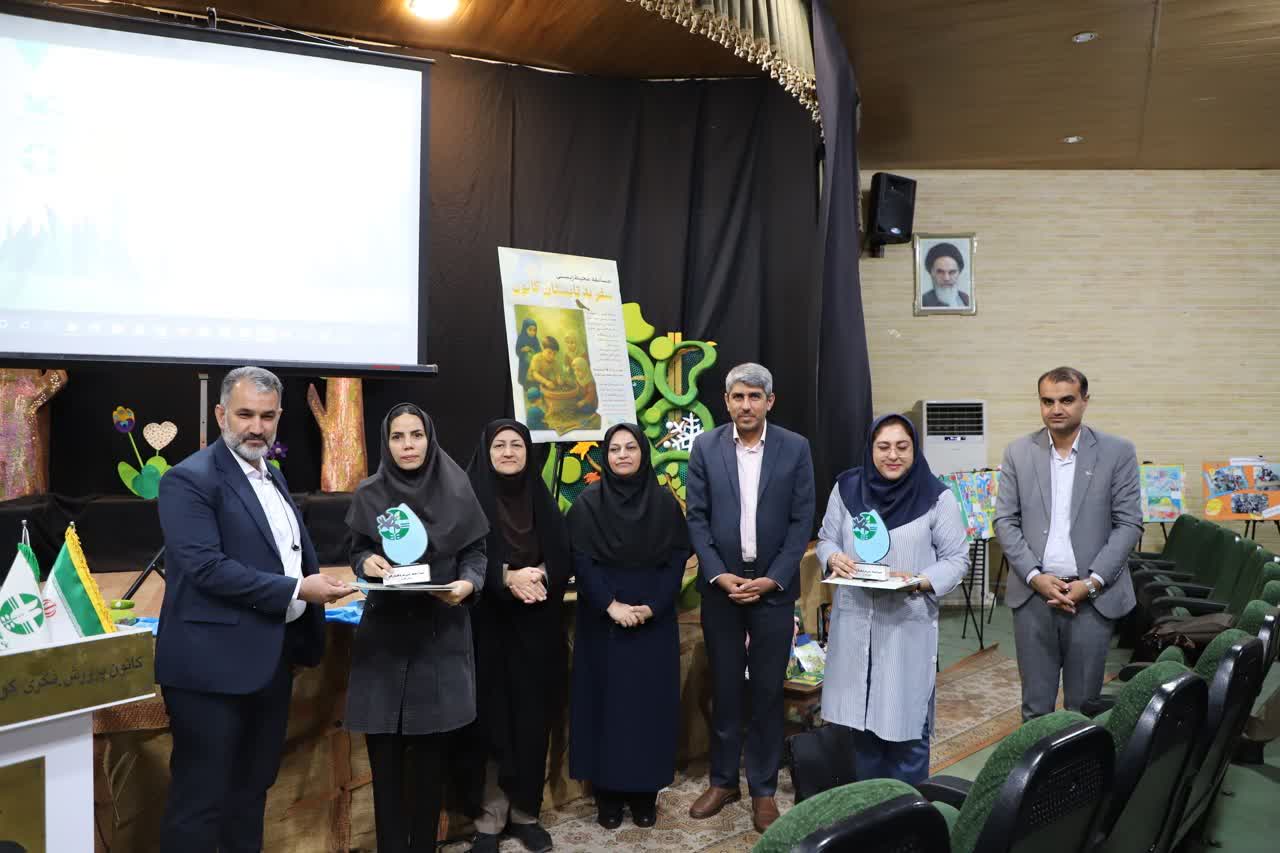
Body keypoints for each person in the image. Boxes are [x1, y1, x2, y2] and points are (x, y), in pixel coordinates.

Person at [155, 366, 353, 853]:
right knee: (201, 801)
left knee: (251, 792)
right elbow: (206, 568)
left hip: (268, 662)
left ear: (279, 417)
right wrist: (298, 590)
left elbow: (285, 554)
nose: (256, 427)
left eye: (267, 416)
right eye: (245, 415)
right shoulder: (189, 479)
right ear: (221, 413)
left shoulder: (272, 474)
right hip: (209, 671)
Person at [345, 403, 490, 853]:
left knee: (430, 770)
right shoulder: (370, 493)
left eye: (416, 435)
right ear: (385, 443)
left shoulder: (457, 488)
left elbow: (476, 553)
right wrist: (366, 562)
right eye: (397, 436)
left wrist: (468, 583)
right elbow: (357, 549)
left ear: (430, 438)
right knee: (385, 768)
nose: (408, 445)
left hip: (438, 638)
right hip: (384, 643)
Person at [685, 363, 815, 833]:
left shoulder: (795, 448)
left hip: (772, 592)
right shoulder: (705, 447)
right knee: (725, 688)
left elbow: (802, 521)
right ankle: (723, 781)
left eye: (754, 397)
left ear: (769, 401)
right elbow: (696, 518)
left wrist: (773, 579)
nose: (746, 405)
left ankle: (762, 788)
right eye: (738, 396)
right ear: (727, 401)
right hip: (721, 590)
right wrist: (718, 575)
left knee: (766, 691)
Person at [817, 414, 969, 783]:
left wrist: (920, 581)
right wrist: (832, 556)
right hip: (855, 622)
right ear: (870, 449)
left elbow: (956, 559)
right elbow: (826, 538)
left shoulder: (937, 497)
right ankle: (870, 807)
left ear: (915, 450)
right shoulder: (847, 489)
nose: (893, 455)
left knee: (906, 726)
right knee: (861, 726)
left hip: (905, 624)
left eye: (902, 447)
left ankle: (909, 809)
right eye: (883, 447)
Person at [994, 367, 1141, 720]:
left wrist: (1091, 583)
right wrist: (1035, 576)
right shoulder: (1018, 452)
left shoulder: (1117, 452)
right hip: (1034, 596)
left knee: (1082, 709)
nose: (1056, 409)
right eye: (1047, 401)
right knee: (1035, 709)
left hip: (1092, 599)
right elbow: (1005, 521)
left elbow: (1128, 524)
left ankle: (1079, 762)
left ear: (1085, 402)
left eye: (1066, 400)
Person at [568, 423, 690, 830]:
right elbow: (582, 561)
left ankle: (644, 794)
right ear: (605, 456)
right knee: (606, 708)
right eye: (615, 449)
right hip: (603, 621)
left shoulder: (665, 504)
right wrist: (611, 606)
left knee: (648, 709)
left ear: (643, 453)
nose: (622, 455)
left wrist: (653, 607)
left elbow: (676, 560)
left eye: (630, 447)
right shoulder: (587, 505)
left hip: (654, 621)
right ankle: (607, 796)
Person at [463, 420, 572, 853]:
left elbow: (562, 553)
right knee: (491, 722)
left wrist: (538, 575)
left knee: (531, 720)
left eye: (517, 445)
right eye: (499, 445)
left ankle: (526, 814)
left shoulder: (540, 499)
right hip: (487, 626)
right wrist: (506, 576)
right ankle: (489, 820)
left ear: (529, 453)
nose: (508, 452)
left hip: (536, 624)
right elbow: (459, 554)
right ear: (486, 452)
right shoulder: (468, 499)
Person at [920, 242, 970, 308]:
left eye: (952, 272)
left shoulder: (966, 299)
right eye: (940, 272)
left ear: (959, 272)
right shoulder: (923, 302)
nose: (946, 278)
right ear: (931, 272)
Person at [515, 319, 541, 389]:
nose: (532, 332)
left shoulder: (535, 339)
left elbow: (539, 350)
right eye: (530, 330)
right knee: (525, 382)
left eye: (534, 330)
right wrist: (523, 349)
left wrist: (535, 352)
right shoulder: (521, 338)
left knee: (534, 379)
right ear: (525, 329)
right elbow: (517, 350)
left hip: (533, 363)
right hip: (524, 364)